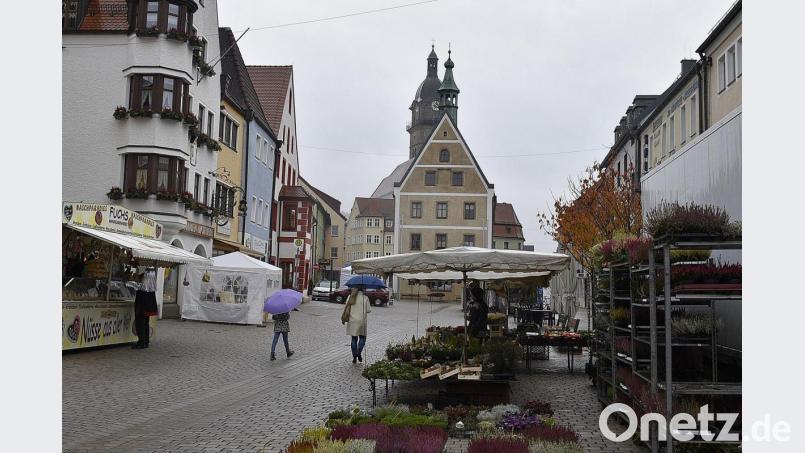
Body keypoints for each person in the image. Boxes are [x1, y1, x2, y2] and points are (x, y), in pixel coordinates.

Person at [133, 264, 158, 349]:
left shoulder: (143, 286)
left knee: (140, 322)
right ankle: (145, 341)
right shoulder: (151, 281)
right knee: (145, 322)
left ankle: (141, 342)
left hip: (142, 302)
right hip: (148, 300)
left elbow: (139, 278)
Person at [344, 286, 371, 363]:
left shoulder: (350, 297)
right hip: (361, 321)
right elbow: (368, 310)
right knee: (363, 337)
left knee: (354, 339)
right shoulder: (365, 298)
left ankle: (354, 357)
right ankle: (359, 352)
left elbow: (346, 307)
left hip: (352, 320)